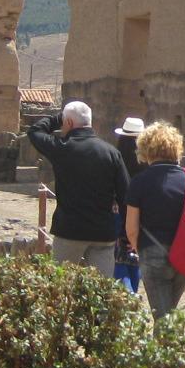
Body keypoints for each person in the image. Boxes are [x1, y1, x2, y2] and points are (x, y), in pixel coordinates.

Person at [28, 101, 129, 273]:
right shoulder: (111, 152)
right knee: (101, 290)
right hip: (102, 232)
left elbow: (34, 131)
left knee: (61, 287)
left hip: (70, 230)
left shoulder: (61, 148)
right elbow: (125, 194)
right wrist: (124, 234)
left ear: (68, 123)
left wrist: (57, 118)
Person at [125, 121, 185, 317]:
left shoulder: (139, 182)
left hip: (153, 251)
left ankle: (167, 348)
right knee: (168, 314)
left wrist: (142, 249)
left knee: (163, 318)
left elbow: (131, 228)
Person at [113, 115, 147, 292]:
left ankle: (127, 300)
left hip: (118, 222)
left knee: (119, 267)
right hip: (140, 225)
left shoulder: (115, 161)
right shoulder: (148, 168)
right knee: (134, 267)